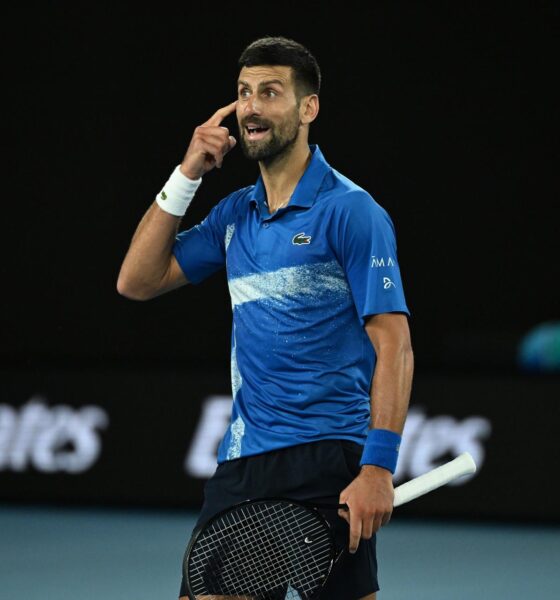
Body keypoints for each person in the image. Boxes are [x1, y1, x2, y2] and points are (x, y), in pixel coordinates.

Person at [117, 36, 413, 600]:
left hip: (331, 457)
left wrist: (378, 466)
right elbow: (137, 280)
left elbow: (394, 343)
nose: (251, 107)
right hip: (245, 460)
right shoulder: (234, 215)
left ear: (309, 108)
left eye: (270, 93)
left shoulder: (351, 212)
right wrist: (188, 173)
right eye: (244, 93)